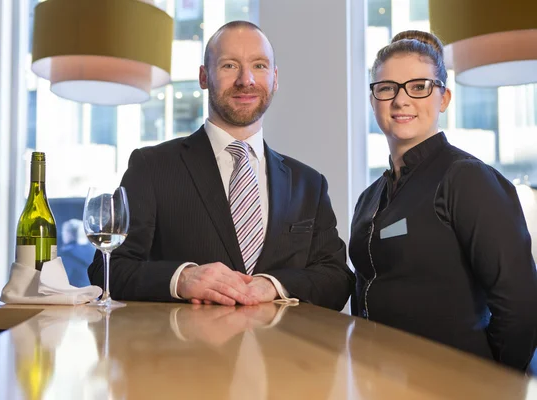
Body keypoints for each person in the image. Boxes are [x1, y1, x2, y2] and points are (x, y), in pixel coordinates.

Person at [88, 21, 354, 310]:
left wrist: (274, 285)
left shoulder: (309, 184)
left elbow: (337, 279)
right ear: (204, 77)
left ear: (275, 78)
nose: (246, 80)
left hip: (282, 353)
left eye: (260, 66)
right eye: (229, 66)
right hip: (184, 352)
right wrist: (182, 279)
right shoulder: (151, 167)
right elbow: (106, 271)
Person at [349, 30, 537, 371]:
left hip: (455, 382)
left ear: (444, 98)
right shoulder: (369, 198)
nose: (401, 100)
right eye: (387, 87)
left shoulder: (466, 179)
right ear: (374, 98)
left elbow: (520, 303)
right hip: (378, 378)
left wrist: (492, 381)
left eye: (419, 86)